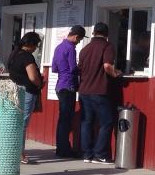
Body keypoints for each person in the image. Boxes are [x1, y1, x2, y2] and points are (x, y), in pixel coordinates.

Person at [78, 22, 122, 163]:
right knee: (106, 122)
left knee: (87, 122)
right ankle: (100, 154)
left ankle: (87, 154)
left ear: (94, 33)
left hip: (84, 90)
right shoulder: (107, 46)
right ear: (107, 34)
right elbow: (107, 66)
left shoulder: (85, 49)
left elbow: (80, 68)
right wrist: (115, 74)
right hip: (99, 91)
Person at [50, 25, 85, 158]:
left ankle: (61, 147)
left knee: (62, 119)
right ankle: (64, 149)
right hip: (68, 85)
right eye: (80, 39)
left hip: (59, 85)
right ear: (76, 36)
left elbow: (54, 68)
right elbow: (73, 68)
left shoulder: (58, 47)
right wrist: (83, 70)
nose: (78, 42)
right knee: (66, 119)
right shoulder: (71, 48)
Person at [8, 31, 43, 164]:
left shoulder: (14, 54)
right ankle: (20, 153)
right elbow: (33, 77)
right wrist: (40, 84)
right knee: (22, 123)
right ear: (30, 44)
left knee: (16, 122)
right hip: (27, 91)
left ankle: (13, 150)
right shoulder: (27, 57)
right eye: (35, 45)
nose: (35, 48)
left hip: (15, 90)